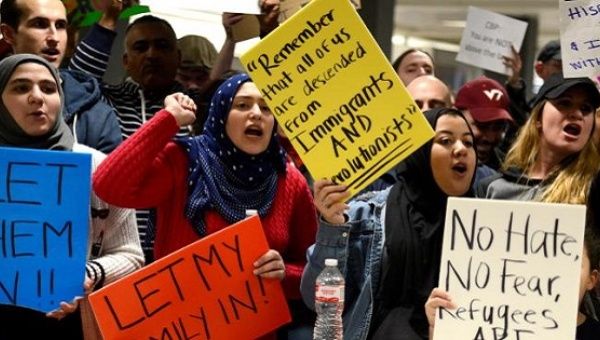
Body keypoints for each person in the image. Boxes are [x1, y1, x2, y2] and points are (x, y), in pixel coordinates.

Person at [93, 73, 318, 339]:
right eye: (243, 105)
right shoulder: (183, 160)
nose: (256, 113)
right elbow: (108, 185)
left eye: (266, 107)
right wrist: (168, 121)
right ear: (220, 114)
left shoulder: (290, 180)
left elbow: (315, 274)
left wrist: (285, 274)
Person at [300, 107, 477, 339]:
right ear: (420, 152)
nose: (461, 149)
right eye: (445, 140)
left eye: (468, 142)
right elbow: (317, 300)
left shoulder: (485, 228)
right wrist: (332, 230)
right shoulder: (367, 215)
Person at [0, 54, 143, 339]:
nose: (37, 98)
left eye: (49, 88)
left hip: (72, 324)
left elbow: (132, 255)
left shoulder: (97, 167)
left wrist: (87, 274)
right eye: (21, 88)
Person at [424, 229, 600, 340]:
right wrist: (439, 329)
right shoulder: (499, 324)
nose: (562, 273)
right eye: (554, 261)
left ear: (592, 280)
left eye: (573, 263)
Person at [0, 0, 122, 153]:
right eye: (40, 24)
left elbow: (114, 175)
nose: (54, 37)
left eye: (60, 26)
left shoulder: (96, 117)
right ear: (9, 34)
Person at [477, 73, 600, 204]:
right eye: (565, 103)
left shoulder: (593, 191)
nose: (577, 114)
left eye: (586, 108)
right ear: (538, 118)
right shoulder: (491, 188)